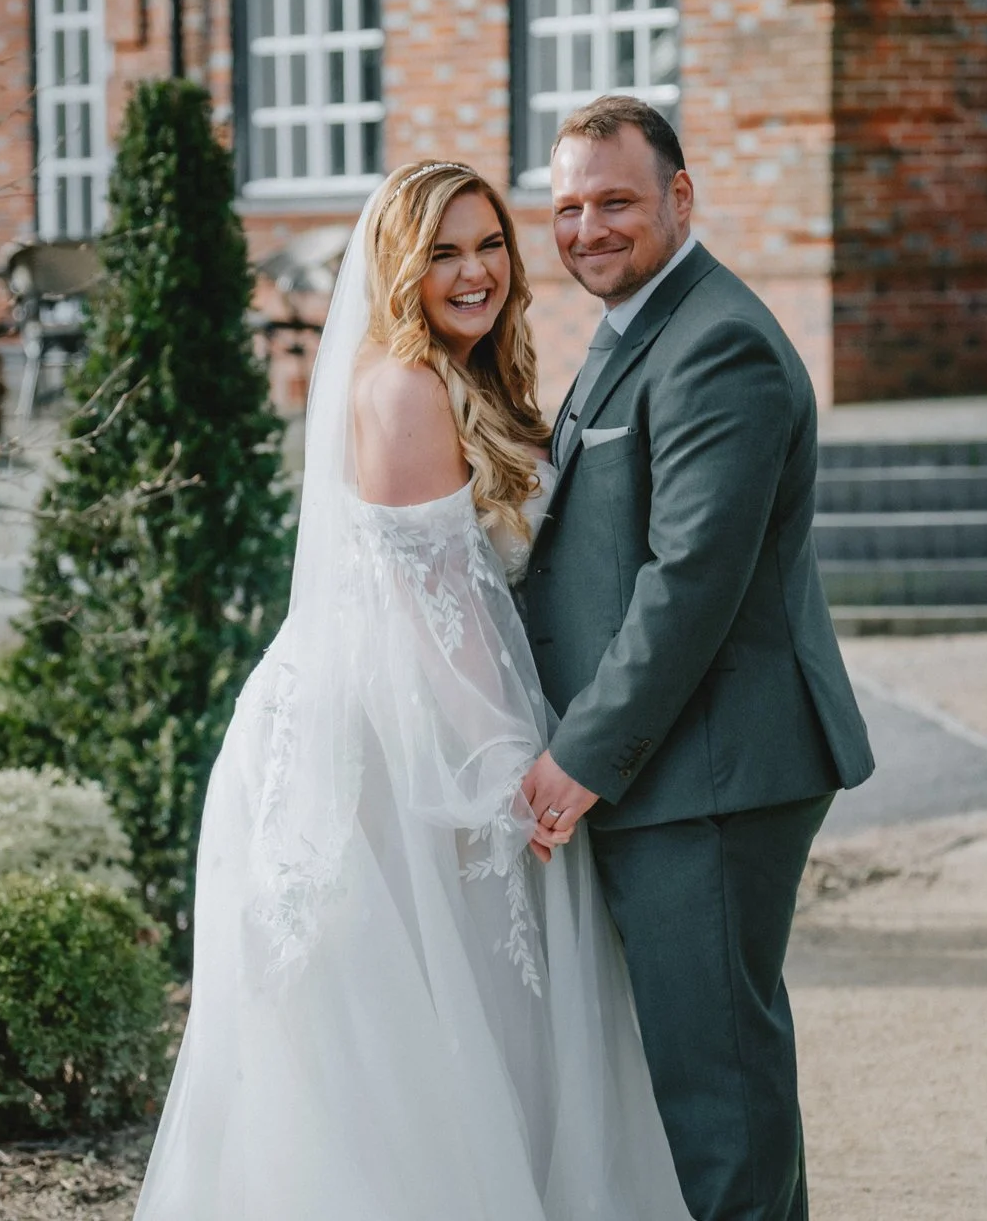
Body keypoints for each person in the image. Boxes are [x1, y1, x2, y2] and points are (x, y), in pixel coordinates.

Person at [133, 159, 690, 1221]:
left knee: (450, 1019)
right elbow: (439, 621)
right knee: (405, 1029)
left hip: (406, 705)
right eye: (442, 251)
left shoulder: (452, 374)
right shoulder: (402, 388)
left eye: (487, 244)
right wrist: (508, 771)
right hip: (393, 740)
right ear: (399, 264)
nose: (474, 271)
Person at [518, 95, 876, 1221]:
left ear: (680, 196)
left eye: (614, 200)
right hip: (680, 768)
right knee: (718, 1070)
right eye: (567, 206)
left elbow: (689, 585)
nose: (586, 228)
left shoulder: (715, 342)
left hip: (712, 771)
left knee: (716, 1092)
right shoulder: (635, 328)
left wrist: (579, 756)